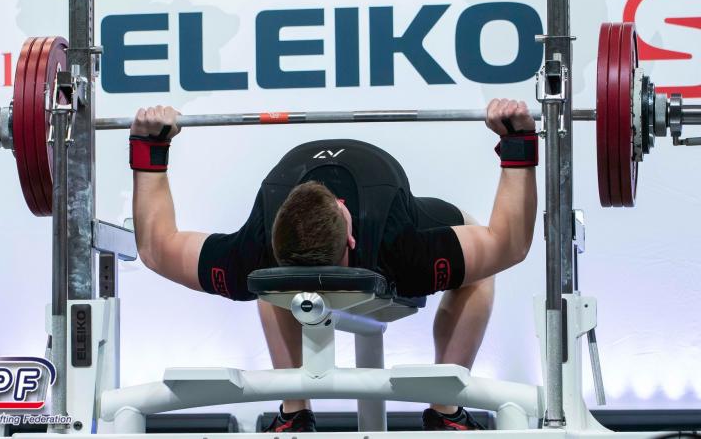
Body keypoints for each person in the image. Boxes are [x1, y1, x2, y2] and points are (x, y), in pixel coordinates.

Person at [130, 98, 538, 432]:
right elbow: (156, 248)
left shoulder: (398, 242)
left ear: (350, 236)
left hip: (379, 188)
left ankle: (444, 408)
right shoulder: (257, 247)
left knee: (476, 245)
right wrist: (149, 148)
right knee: (269, 282)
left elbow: (508, 243)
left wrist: (517, 143)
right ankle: (295, 410)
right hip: (291, 196)